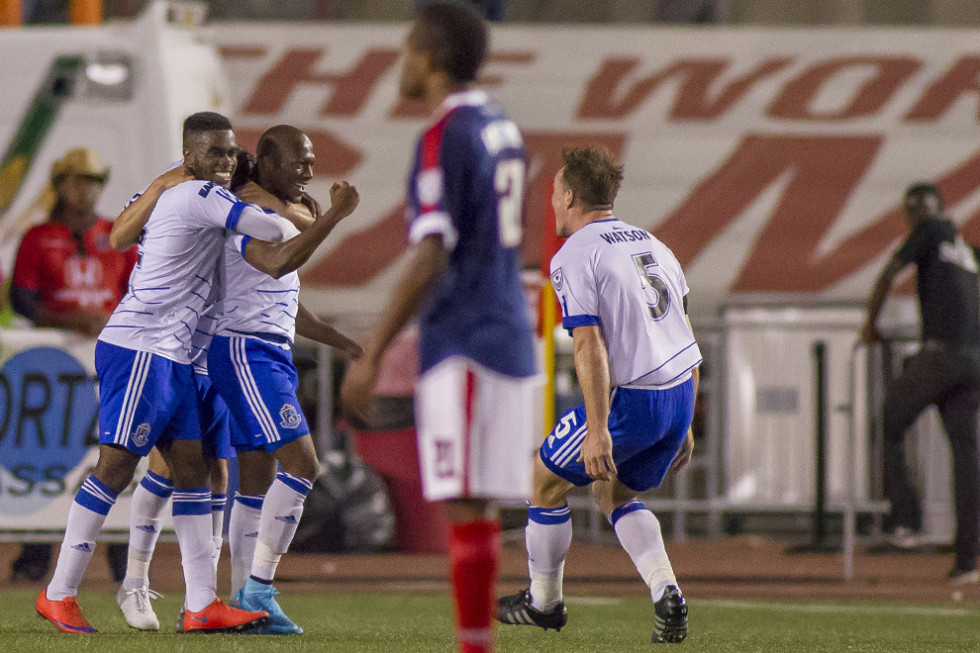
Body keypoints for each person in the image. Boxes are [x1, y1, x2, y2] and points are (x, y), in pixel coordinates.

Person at [34, 110, 344, 635]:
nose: (224, 162)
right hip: (141, 346)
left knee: (194, 472)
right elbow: (273, 231)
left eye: (230, 152)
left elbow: (123, 232)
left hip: (178, 354)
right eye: (214, 153)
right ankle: (60, 592)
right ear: (190, 157)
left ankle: (201, 603)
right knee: (116, 469)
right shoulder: (199, 196)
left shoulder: (173, 193)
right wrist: (316, 213)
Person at [341, 4, 538, 652]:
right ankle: (475, 642)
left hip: (467, 338)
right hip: (505, 330)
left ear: (427, 58)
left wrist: (372, 350)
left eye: (406, 50)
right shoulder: (501, 125)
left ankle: (474, 644)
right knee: (476, 504)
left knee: (463, 501)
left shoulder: (444, 132)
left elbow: (431, 251)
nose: (401, 62)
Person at [496, 146, 700, 645]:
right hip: (676, 394)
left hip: (633, 400)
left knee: (543, 481)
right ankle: (667, 591)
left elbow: (587, 342)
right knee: (614, 493)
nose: (552, 203)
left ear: (569, 195)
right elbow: (682, 327)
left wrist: (597, 428)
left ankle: (544, 602)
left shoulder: (575, 253)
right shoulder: (655, 244)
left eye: (553, 193)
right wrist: (686, 419)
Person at [208, 125, 361, 635]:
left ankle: (241, 601)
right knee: (302, 465)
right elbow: (276, 265)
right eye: (299, 164)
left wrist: (343, 342)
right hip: (245, 350)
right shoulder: (250, 215)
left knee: (254, 482)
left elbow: (287, 305)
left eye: (312, 162)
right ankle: (258, 589)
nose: (310, 172)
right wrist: (333, 215)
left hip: (267, 349)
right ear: (268, 163)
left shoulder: (275, 214)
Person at [9, 147, 134, 584]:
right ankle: (34, 557)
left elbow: (138, 289)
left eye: (94, 181)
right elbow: (22, 299)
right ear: (59, 184)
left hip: (111, 361)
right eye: (78, 180)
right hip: (56, 364)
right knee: (51, 453)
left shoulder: (116, 233)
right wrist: (74, 322)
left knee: (117, 452)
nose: (86, 190)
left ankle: (124, 559)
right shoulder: (37, 237)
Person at [860, 181, 980, 585]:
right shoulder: (969, 253)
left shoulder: (930, 229)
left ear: (918, 212)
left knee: (891, 421)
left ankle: (905, 521)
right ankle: (968, 561)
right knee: (966, 456)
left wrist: (869, 326)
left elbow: (887, 275)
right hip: (973, 361)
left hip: (941, 354)